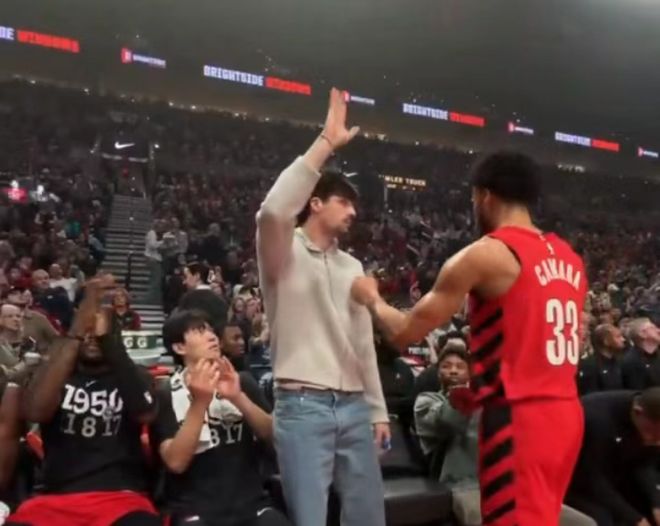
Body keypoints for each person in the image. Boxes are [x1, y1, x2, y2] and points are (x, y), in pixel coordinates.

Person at [352, 151, 588, 526]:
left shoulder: (485, 254)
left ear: (484, 195)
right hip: (566, 415)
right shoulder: (569, 257)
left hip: (518, 421)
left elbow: (404, 331)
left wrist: (372, 299)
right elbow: (534, 337)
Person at [256, 88, 389, 526]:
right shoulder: (282, 251)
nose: (353, 212)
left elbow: (363, 344)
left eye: (354, 205)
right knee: (310, 520)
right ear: (314, 203)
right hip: (301, 404)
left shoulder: (353, 266)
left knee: (369, 518)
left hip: (354, 406)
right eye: (343, 202)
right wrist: (326, 142)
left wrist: (377, 409)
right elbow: (273, 211)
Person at [7, 275, 160, 526]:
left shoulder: (133, 376)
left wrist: (109, 341)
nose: (92, 337)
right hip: (56, 497)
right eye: (86, 332)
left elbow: (145, 412)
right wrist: (77, 331)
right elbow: (35, 411)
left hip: (120, 497)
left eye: (98, 331)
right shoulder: (56, 375)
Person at [415, 344, 596, 526]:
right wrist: (462, 395)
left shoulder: (493, 401)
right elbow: (446, 424)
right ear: (437, 372)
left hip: (512, 485)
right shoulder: (427, 401)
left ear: (469, 372)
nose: (453, 371)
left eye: (460, 366)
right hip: (466, 486)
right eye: (446, 366)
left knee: (583, 523)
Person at [153, 310, 291, 526]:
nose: (212, 337)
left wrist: (238, 398)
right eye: (200, 331)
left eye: (211, 331)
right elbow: (176, 462)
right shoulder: (166, 393)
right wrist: (199, 403)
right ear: (179, 347)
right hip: (195, 510)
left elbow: (275, 440)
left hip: (251, 503)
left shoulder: (242, 381)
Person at [566, 389, 660, 526]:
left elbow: (644, 463)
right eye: (653, 433)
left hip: (618, 471)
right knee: (603, 519)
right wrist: (634, 518)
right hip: (579, 479)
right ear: (638, 412)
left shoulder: (648, 421)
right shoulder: (597, 420)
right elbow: (593, 479)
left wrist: (656, 503)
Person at [178, 263, 228, 336]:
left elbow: (181, 326)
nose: (184, 282)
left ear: (197, 276)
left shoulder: (187, 299)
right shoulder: (221, 301)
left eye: (186, 277)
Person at [577, 324, 625, 395]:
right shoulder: (590, 365)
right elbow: (591, 395)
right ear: (606, 341)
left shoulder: (620, 361)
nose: (623, 339)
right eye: (618, 337)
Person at [621, 318, 660, 390]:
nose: (658, 331)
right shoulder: (632, 361)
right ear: (642, 334)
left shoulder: (657, 354)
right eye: (652, 328)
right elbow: (638, 393)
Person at [144, 220, 166, 304]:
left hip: (155, 258)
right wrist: (163, 242)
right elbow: (152, 245)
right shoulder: (152, 233)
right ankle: (150, 299)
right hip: (153, 258)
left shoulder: (155, 234)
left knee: (156, 279)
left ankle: (154, 298)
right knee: (156, 280)